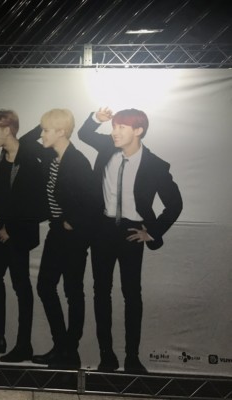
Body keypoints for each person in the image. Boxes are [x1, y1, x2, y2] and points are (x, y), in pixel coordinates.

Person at [78, 107, 183, 373]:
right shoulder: (107, 147)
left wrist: (152, 232)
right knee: (101, 292)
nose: (114, 132)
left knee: (132, 295)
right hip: (102, 229)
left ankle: (132, 357)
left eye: (121, 127)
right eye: (114, 126)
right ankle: (106, 355)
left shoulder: (155, 165)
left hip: (131, 233)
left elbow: (175, 204)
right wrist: (96, 119)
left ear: (138, 130)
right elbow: (83, 134)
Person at [20, 109, 93, 370]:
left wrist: (72, 221)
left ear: (61, 132)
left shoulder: (78, 161)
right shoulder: (51, 157)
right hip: (56, 231)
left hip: (74, 235)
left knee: (72, 291)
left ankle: (70, 351)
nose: (41, 135)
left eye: (46, 130)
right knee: (45, 286)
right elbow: (25, 143)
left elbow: (92, 201)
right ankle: (61, 346)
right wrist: (46, 122)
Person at [0, 109, 47, 363]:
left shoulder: (30, 159)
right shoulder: (2, 156)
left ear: (7, 130)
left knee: (21, 286)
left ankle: (24, 345)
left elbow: (38, 205)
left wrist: (11, 229)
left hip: (19, 233)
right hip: (3, 229)